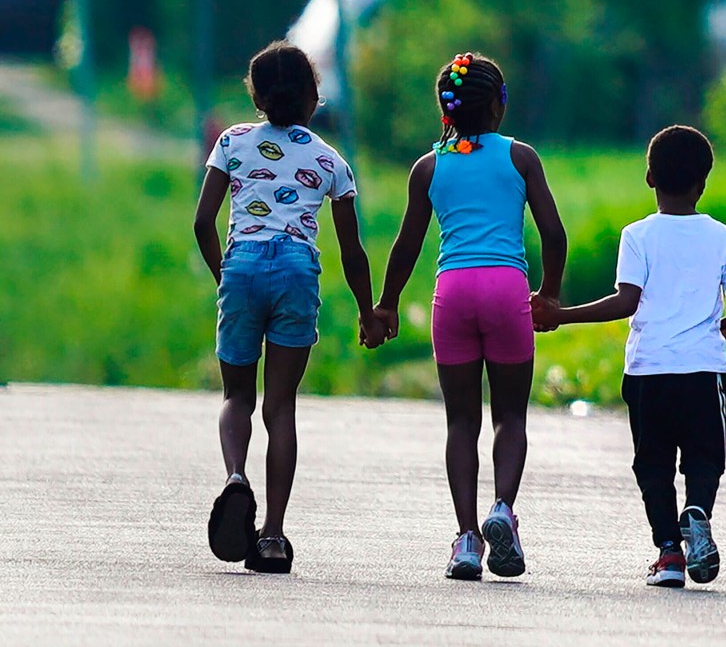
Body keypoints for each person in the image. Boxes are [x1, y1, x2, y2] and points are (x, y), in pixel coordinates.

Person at [190, 42, 386, 574]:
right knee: (281, 409)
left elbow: (203, 222)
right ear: (312, 95)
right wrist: (369, 312)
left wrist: (225, 276)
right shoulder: (330, 161)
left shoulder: (231, 143)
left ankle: (235, 477)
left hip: (243, 266)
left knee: (237, 396)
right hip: (298, 271)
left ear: (254, 94)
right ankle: (273, 536)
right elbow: (352, 251)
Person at [376, 51, 567, 581]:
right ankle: (502, 508)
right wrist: (548, 294)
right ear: (498, 106)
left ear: (446, 109)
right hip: (507, 290)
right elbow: (554, 234)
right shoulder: (520, 157)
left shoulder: (429, 166)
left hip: (453, 293)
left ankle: (466, 540)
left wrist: (386, 304)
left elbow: (407, 243)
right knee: (511, 416)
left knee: (461, 421)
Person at [533, 126, 726, 589]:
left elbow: (625, 301)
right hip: (704, 370)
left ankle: (669, 553)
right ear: (704, 182)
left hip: (650, 371)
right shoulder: (721, 235)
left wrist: (562, 314)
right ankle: (698, 512)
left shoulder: (637, 235)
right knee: (705, 456)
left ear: (649, 177)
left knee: (653, 463)